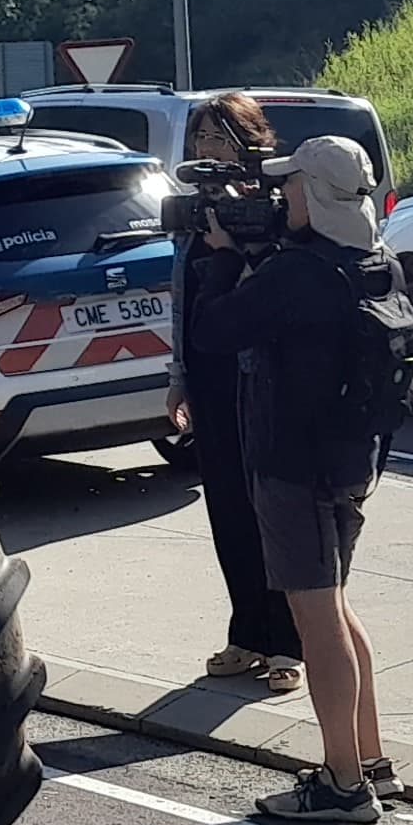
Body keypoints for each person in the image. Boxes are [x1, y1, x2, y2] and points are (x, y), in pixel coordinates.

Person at [224, 130, 401, 825]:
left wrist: (227, 259)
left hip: (294, 465)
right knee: (336, 607)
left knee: (316, 619)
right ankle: (371, 759)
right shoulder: (377, 262)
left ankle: (343, 785)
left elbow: (216, 330)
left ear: (316, 193)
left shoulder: (295, 273)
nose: (281, 196)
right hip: (354, 460)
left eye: (290, 184)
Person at [171, 91, 301, 688]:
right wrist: (179, 379)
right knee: (225, 505)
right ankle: (247, 633)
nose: (207, 148)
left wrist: (242, 243)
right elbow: (184, 301)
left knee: (269, 508)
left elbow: (275, 294)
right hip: (209, 371)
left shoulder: (273, 205)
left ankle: (288, 643)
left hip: (261, 376)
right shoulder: (196, 212)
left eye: (219, 138)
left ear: (251, 142)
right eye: (201, 137)